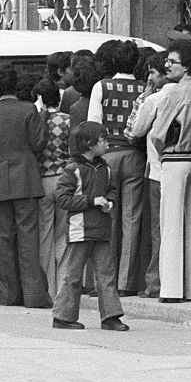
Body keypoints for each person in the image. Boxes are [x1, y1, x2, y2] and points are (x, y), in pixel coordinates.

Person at [150, 40, 191, 303]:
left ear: (186, 66)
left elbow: (157, 133)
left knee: (172, 223)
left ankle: (172, 288)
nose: (167, 66)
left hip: (175, 159)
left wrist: (164, 146)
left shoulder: (173, 92)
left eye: (171, 61)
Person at [0, 64, 51, 308]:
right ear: (16, 84)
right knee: (28, 238)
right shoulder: (29, 110)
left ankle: (7, 294)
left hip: (0, 180)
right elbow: (38, 143)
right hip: (26, 178)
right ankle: (33, 295)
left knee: (1, 239)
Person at [51, 122, 128, 332]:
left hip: (102, 229)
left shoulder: (106, 168)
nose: (106, 143)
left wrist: (109, 202)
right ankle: (63, 316)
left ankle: (110, 316)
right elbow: (62, 199)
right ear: (89, 144)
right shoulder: (72, 169)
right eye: (103, 140)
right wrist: (92, 201)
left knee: (106, 274)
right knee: (73, 275)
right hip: (80, 230)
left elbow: (112, 191)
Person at [86, 40, 147, 296]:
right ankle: (126, 281)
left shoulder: (102, 86)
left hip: (108, 154)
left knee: (106, 215)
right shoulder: (144, 88)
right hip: (134, 154)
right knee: (131, 218)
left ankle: (104, 280)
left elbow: (93, 125)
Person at [125, 52, 175, 298]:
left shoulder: (154, 99)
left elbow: (135, 130)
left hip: (157, 169)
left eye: (153, 73)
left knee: (158, 228)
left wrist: (143, 98)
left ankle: (155, 282)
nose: (150, 78)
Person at [35, 78, 72, 299]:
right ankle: (63, 285)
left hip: (42, 180)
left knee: (44, 234)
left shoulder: (36, 121)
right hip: (64, 179)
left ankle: (46, 285)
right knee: (63, 234)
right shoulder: (66, 120)